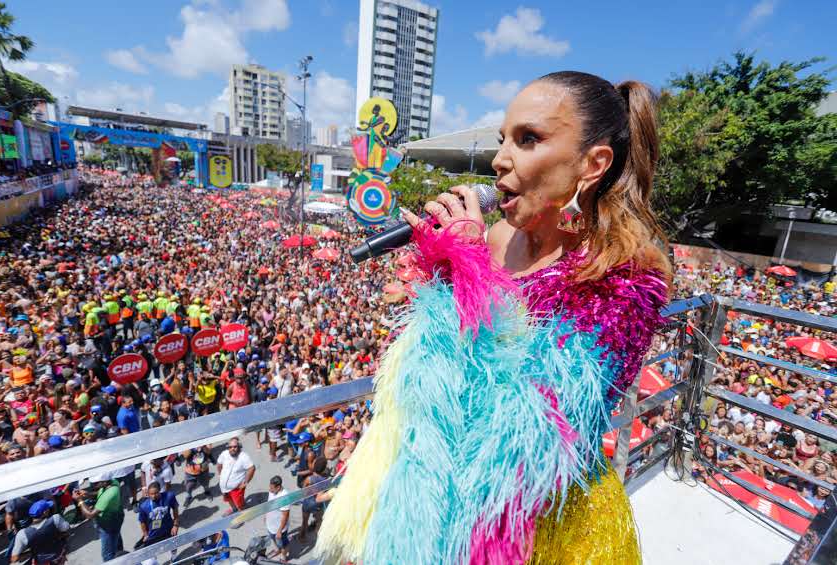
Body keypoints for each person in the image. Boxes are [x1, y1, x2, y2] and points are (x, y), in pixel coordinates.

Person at [321, 71, 671, 564]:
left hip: (538, 527)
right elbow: (441, 379)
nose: (499, 158)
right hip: (441, 496)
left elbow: (530, 430)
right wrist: (441, 276)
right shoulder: (495, 240)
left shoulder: (628, 278)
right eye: (502, 139)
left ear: (593, 164)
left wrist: (469, 272)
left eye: (528, 139)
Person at [73, 474, 125, 562]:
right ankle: (121, 556)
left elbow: (90, 515)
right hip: (115, 520)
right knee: (116, 540)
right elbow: (100, 492)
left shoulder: (109, 494)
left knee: (107, 554)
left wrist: (79, 500)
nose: (94, 485)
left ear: (104, 482)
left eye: (96, 483)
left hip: (108, 526)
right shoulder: (113, 482)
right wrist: (87, 494)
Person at [10, 500, 70, 564]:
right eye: (48, 508)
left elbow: (14, 558)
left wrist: (33, 552)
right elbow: (66, 528)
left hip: (41, 562)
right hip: (58, 556)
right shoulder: (55, 519)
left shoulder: (22, 534)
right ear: (45, 512)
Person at [216, 437, 255, 515]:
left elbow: (252, 468)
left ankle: (241, 515)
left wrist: (245, 482)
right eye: (230, 447)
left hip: (236, 489)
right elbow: (219, 464)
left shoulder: (244, 456)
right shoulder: (224, 453)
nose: (232, 449)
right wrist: (220, 474)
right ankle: (233, 508)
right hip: (224, 487)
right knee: (228, 499)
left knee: (240, 504)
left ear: (239, 446)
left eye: (235, 446)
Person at [137, 481, 180, 546]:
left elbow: (175, 509)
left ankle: (174, 555)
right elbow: (142, 521)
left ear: (160, 490)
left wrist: (175, 525)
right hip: (153, 533)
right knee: (152, 549)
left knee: (173, 543)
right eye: (151, 494)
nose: (153, 496)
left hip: (169, 528)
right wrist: (145, 534)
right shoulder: (144, 506)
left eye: (156, 493)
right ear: (148, 493)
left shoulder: (169, 496)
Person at [265, 475, 290, 563]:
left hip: (279, 528)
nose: (270, 490)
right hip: (271, 525)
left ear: (278, 487)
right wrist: (266, 516)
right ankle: (277, 550)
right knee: (273, 538)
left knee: (283, 544)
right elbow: (269, 503)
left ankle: (283, 557)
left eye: (272, 488)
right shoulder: (272, 491)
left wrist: (280, 530)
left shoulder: (284, 497)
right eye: (270, 487)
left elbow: (285, 515)